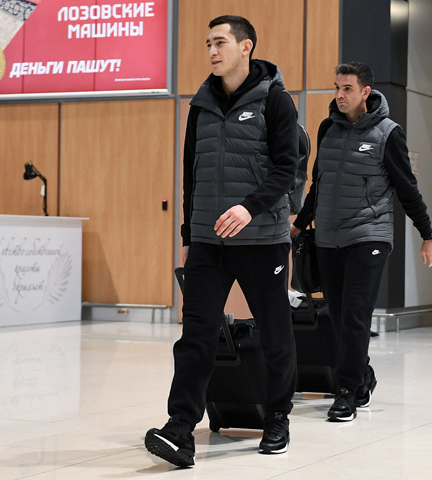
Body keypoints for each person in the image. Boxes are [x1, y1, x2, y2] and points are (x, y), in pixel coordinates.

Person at [144, 15, 299, 467]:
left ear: (245, 46)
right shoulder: (201, 104)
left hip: (262, 239)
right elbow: (191, 174)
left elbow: (286, 169)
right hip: (209, 241)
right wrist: (188, 235)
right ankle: (180, 429)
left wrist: (250, 207)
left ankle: (277, 417)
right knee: (195, 335)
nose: (212, 51)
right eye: (208, 44)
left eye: (220, 42)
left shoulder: (275, 100)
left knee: (274, 332)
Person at [291, 62, 432, 422]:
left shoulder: (388, 133)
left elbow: (407, 188)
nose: (339, 95)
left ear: (365, 92)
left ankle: (345, 393)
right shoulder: (327, 128)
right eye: (336, 87)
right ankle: (362, 377)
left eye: (347, 89)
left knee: (355, 315)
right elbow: (319, 183)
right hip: (328, 237)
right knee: (337, 316)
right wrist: (301, 222)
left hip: (369, 236)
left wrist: (428, 235)